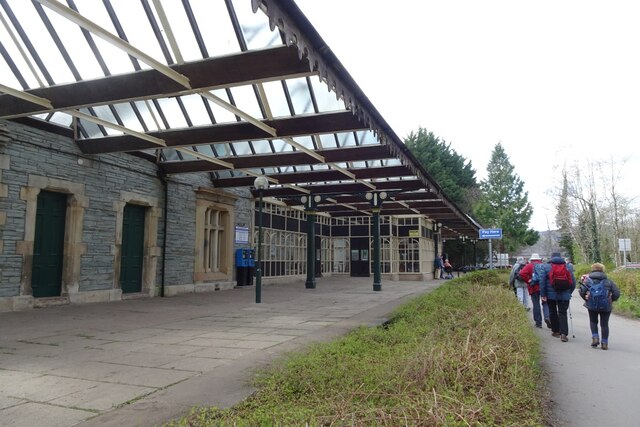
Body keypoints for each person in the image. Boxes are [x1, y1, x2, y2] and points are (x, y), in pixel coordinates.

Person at [578, 263, 621, 350]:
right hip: (606, 306)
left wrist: (586, 299)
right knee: (604, 324)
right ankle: (604, 343)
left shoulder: (588, 281)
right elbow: (617, 293)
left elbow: (581, 291)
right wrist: (611, 300)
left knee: (593, 321)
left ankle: (595, 338)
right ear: (603, 270)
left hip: (592, 305)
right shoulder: (608, 281)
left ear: (592, 270)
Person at [540, 252, 576, 342]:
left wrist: (543, 294)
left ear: (551, 258)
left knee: (552, 312)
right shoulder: (568, 267)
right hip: (564, 295)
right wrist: (569, 292)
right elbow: (573, 282)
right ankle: (563, 334)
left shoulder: (546, 267)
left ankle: (555, 331)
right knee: (563, 313)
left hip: (550, 295)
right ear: (561, 257)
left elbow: (542, 282)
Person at [519, 253, 550, 328]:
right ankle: (547, 317)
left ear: (531, 259)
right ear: (539, 259)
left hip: (533, 287)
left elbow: (521, 273)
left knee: (536, 305)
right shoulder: (544, 265)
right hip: (544, 288)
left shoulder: (529, 265)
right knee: (545, 303)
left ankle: (538, 322)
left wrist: (528, 280)